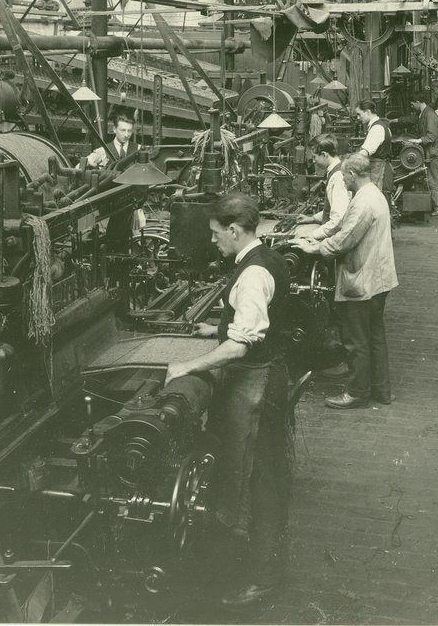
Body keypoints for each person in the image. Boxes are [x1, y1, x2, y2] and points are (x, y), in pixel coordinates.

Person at [164, 194, 292, 606]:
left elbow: (241, 346)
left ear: (235, 230)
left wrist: (190, 367)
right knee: (259, 472)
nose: (215, 242)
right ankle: (257, 565)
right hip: (267, 373)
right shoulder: (263, 257)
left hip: (256, 381)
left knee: (257, 478)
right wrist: (214, 330)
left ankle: (262, 577)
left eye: (217, 235)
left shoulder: (252, 274)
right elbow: (249, 325)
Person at [293, 153, 397, 408]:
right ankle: (380, 390)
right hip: (379, 278)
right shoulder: (374, 194)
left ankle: (357, 392)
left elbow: (345, 239)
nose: (344, 183)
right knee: (374, 336)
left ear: (352, 174)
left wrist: (314, 247)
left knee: (355, 339)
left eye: (345, 178)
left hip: (363, 279)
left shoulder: (363, 203)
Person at [297, 134, 350, 239]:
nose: (313, 161)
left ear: (324, 155)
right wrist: (313, 218)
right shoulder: (336, 170)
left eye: (314, 157)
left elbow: (338, 219)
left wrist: (313, 235)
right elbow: (332, 209)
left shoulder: (337, 177)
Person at [410, 94, 438, 216]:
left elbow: (432, 136)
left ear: (417, 101)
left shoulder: (429, 115)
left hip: (434, 152)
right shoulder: (425, 113)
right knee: (432, 179)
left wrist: (419, 140)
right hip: (432, 151)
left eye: (412, 104)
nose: (412, 106)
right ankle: (436, 204)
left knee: (434, 179)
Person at [353, 99, 394, 198]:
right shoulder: (381, 125)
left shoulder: (377, 128)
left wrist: (348, 162)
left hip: (378, 170)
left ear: (367, 112)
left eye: (359, 114)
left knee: (374, 198)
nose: (358, 118)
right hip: (378, 168)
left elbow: (365, 152)